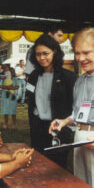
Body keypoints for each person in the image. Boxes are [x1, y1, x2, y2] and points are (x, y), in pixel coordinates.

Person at [49, 27, 94, 186]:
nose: (81, 58)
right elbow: (77, 114)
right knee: (81, 182)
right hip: (79, 140)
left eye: (87, 52)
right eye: (77, 53)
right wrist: (63, 122)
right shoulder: (80, 81)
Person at [27, 34, 76, 168]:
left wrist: (67, 128)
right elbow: (30, 102)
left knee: (57, 168)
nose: (42, 58)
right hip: (38, 128)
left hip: (57, 129)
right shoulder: (33, 76)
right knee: (37, 165)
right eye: (38, 54)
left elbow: (74, 106)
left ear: (54, 52)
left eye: (45, 53)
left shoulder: (67, 77)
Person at [0, 65, 19, 129]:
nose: (12, 73)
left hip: (13, 96)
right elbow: (0, 86)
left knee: (13, 111)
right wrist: (7, 87)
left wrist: (12, 87)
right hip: (5, 96)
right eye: (11, 72)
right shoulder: (3, 78)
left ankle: (14, 124)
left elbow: (17, 86)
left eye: (13, 72)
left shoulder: (15, 79)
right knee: (6, 111)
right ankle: (6, 124)